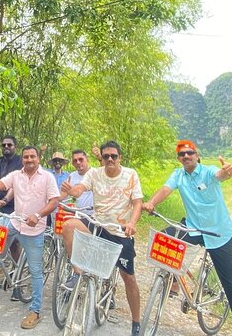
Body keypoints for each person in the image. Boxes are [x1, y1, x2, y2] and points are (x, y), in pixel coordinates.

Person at [142, 140, 232, 336]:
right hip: (193, 228)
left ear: (197, 155)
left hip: (218, 234)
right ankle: (174, 281)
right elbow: (166, 189)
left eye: (189, 153)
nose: (186, 156)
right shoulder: (178, 175)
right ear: (179, 159)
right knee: (165, 238)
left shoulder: (208, 172)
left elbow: (221, 175)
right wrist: (151, 202)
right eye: (181, 154)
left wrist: (227, 172)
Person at [61, 140, 143, 336]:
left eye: (113, 156)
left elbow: (137, 203)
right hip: (98, 226)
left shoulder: (130, 175)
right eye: (106, 156)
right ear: (102, 159)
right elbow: (81, 188)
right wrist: (73, 191)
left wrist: (132, 223)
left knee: (129, 278)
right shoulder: (94, 174)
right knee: (68, 225)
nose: (110, 159)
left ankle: (136, 322)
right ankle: (77, 271)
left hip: (120, 231)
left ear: (120, 158)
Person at [0, 146, 60, 330]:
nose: (28, 159)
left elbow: (54, 201)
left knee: (35, 271)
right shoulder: (16, 175)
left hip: (34, 230)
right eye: (26, 157)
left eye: (32, 156)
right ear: (23, 160)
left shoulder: (47, 177)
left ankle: (36, 311)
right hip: (15, 222)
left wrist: (38, 215)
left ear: (38, 158)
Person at [60, 149, 94, 215]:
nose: (78, 162)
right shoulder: (71, 176)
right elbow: (62, 196)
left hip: (94, 216)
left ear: (87, 159)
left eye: (81, 159)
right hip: (77, 215)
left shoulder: (96, 173)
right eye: (75, 161)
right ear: (72, 164)